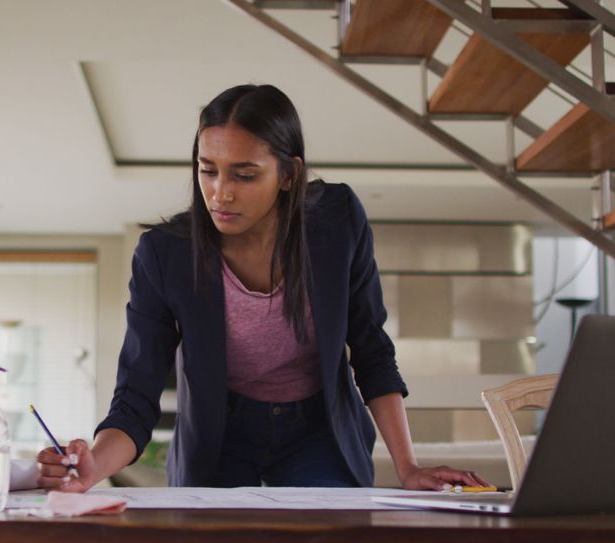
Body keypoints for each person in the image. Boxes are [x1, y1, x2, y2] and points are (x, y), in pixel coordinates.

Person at [38, 84, 490, 491]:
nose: (220, 194)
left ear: (289, 175)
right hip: (219, 435)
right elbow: (136, 395)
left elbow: (371, 350)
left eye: (244, 174)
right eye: (208, 170)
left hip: (319, 430)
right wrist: (93, 464)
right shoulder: (164, 255)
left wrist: (408, 467)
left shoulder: (337, 222)